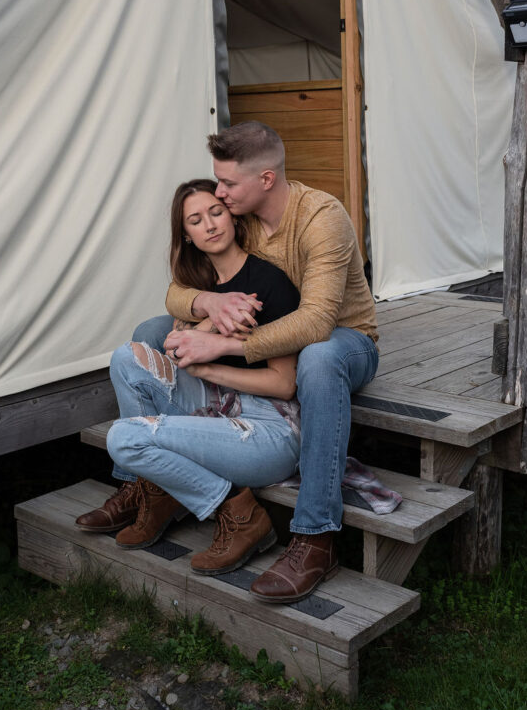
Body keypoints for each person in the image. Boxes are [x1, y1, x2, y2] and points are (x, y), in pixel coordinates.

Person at [157, 121, 379, 602]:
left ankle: (316, 537)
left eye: (228, 184)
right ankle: (155, 482)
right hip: (271, 339)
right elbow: (177, 290)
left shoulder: (321, 217)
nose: (219, 193)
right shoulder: (245, 220)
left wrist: (219, 346)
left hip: (346, 342)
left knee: (317, 360)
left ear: (266, 180)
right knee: (150, 333)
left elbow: (318, 322)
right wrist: (207, 306)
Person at [76, 178, 302, 577]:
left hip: (270, 430)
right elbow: (180, 326)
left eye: (216, 212)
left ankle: (240, 513)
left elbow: (285, 384)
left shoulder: (268, 282)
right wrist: (210, 324)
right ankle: (159, 493)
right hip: (220, 406)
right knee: (126, 359)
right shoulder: (200, 288)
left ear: (232, 217)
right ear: (187, 235)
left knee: (123, 438)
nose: (210, 225)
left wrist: (211, 365)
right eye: (196, 220)